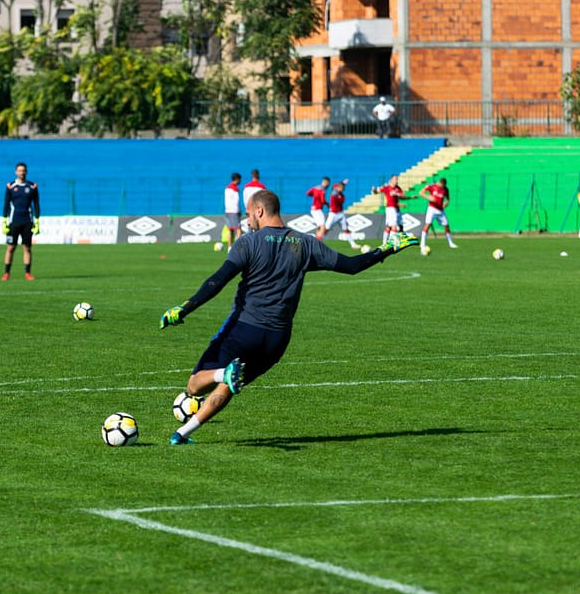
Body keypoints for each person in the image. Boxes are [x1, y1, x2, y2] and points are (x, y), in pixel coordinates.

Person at [159, 189, 419, 445]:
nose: (247, 220)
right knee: (231, 383)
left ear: (260, 211)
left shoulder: (249, 242)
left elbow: (217, 281)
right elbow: (352, 266)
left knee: (194, 385)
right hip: (277, 339)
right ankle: (182, 434)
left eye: (249, 214)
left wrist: (185, 308)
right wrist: (387, 248)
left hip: (244, 329)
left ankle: (220, 375)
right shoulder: (306, 243)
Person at [1, 162, 40, 281]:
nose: (21, 172)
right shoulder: (10, 186)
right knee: (10, 248)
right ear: (16, 172)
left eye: (23, 170)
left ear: (26, 172)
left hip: (27, 221)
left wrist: (37, 221)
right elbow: (6, 204)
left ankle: (28, 273)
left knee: (27, 248)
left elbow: (36, 205)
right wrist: (4, 221)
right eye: (19, 170)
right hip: (14, 222)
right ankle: (6, 273)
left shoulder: (32, 187)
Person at [418, 177, 458, 252]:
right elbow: (421, 192)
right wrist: (428, 197)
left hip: (440, 210)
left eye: (444, 186)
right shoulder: (432, 186)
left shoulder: (445, 189)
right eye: (442, 185)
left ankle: (451, 243)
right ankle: (422, 244)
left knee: (446, 226)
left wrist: (446, 204)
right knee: (427, 225)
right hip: (432, 209)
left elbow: (448, 199)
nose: (442, 187)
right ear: (439, 183)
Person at [379, 174, 416, 244]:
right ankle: (390, 243)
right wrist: (374, 190)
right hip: (390, 209)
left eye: (397, 179)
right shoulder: (386, 188)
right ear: (391, 180)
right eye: (395, 179)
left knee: (398, 226)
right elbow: (376, 191)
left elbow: (403, 196)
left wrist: (409, 197)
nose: (397, 181)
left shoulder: (398, 188)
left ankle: (396, 241)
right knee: (393, 226)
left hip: (397, 209)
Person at [324, 180, 361, 249]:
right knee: (326, 229)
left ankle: (353, 244)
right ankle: (318, 242)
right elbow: (335, 186)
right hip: (333, 214)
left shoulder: (342, 195)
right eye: (341, 187)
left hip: (340, 214)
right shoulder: (334, 193)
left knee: (346, 229)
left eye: (343, 188)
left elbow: (337, 188)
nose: (342, 188)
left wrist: (342, 184)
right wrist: (343, 183)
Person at [224, 172, 242, 251]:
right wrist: (239, 210)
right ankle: (237, 248)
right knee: (238, 229)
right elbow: (236, 201)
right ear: (237, 179)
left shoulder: (227, 188)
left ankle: (229, 247)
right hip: (234, 211)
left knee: (230, 229)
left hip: (227, 210)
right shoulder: (235, 189)